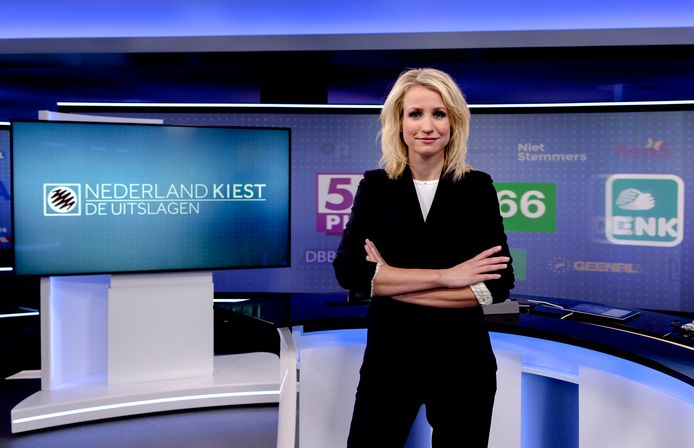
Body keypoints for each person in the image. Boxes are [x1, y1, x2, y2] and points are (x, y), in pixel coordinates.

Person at [333, 68, 515, 448]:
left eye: (439, 113)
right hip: (390, 360)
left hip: (463, 363)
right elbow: (350, 273)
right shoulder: (376, 186)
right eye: (415, 114)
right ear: (399, 122)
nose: (427, 126)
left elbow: (496, 286)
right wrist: (449, 277)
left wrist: (389, 280)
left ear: (454, 122)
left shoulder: (477, 188)